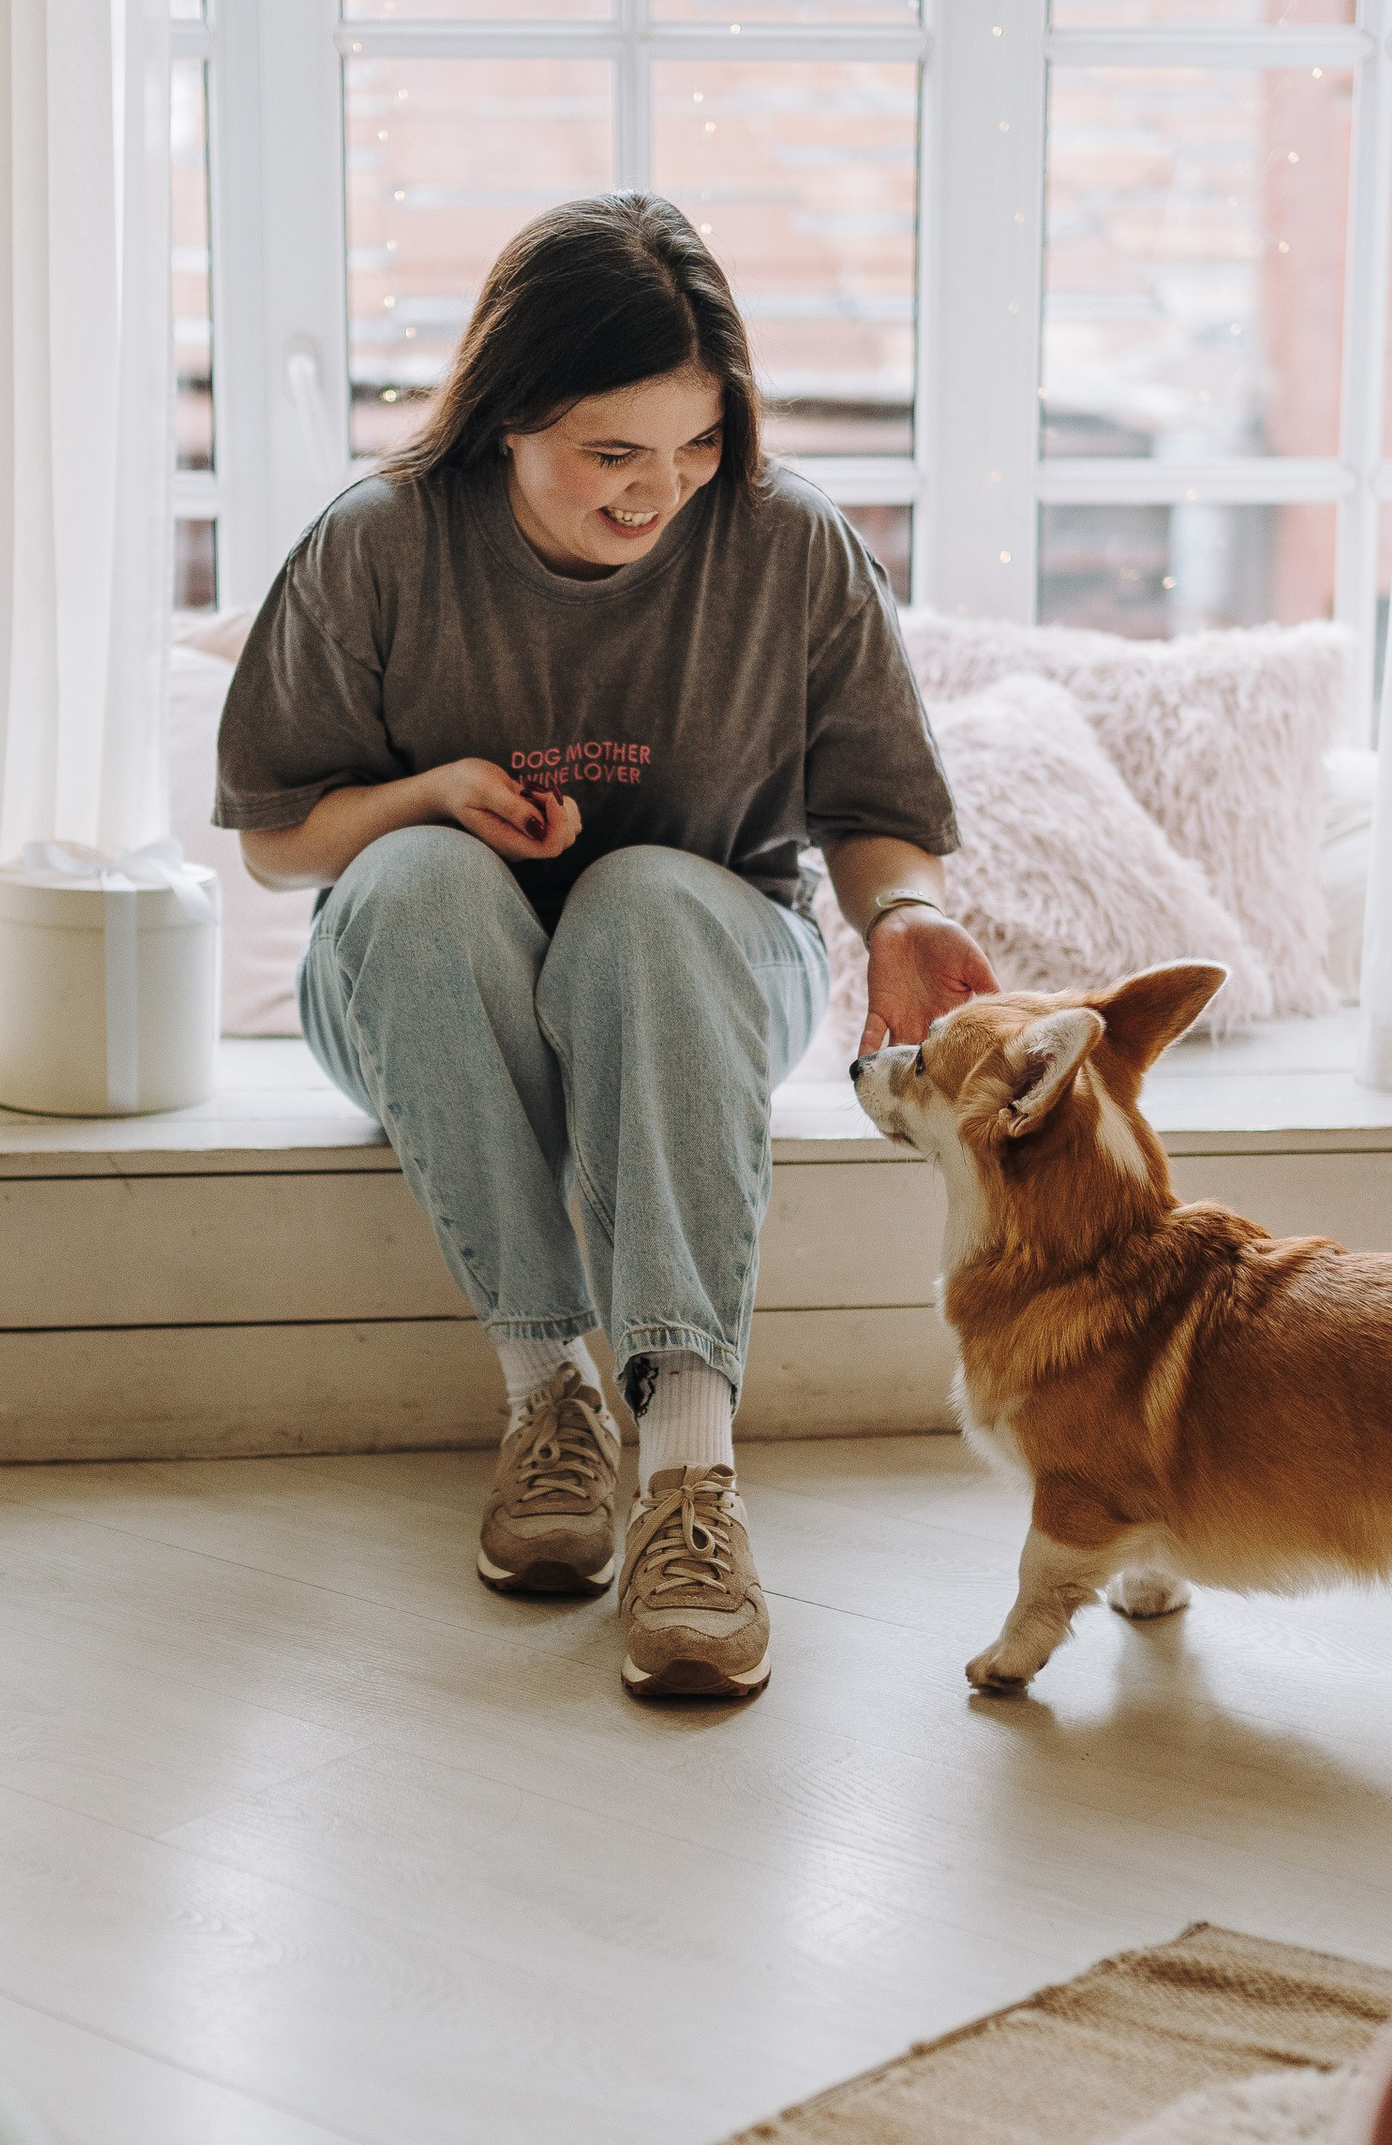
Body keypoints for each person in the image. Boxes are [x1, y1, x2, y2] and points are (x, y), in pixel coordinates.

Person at [217, 192, 996, 1706]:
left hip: (703, 969)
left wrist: (902, 912)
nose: (661, 492)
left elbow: (877, 812)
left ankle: (689, 1476)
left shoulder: (791, 551)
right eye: (612, 454)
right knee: (422, 880)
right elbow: (277, 840)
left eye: (697, 446)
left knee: (644, 899)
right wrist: (429, 796)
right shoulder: (377, 547)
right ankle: (552, 1401)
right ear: (507, 416)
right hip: (421, 976)